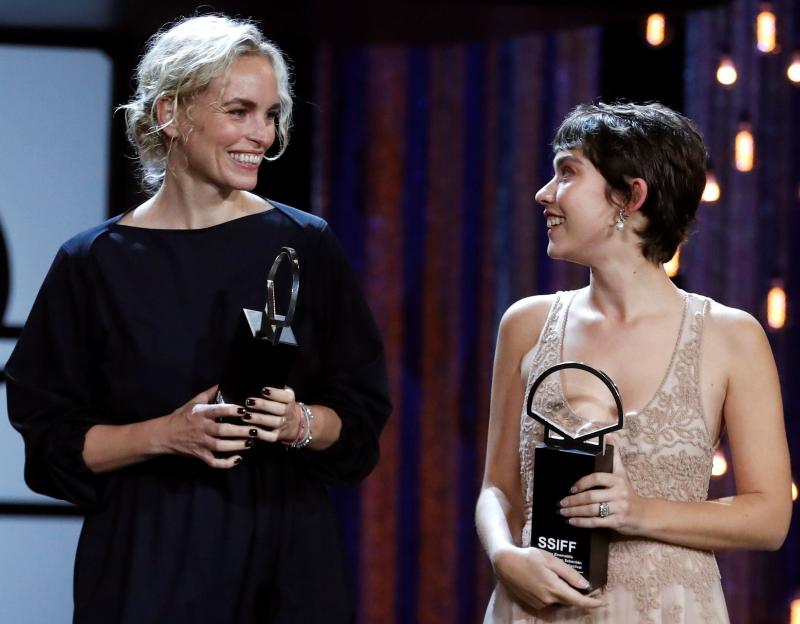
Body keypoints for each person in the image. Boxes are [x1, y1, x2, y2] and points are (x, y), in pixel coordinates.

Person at [6, 14, 391, 624]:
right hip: (146, 562)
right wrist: (166, 434)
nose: (261, 135)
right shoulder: (94, 262)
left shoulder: (305, 244)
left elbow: (361, 415)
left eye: (271, 114)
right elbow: (50, 441)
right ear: (171, 116)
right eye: (239, 111)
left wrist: (298, 422)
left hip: (285, 559)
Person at [476, 102, 792, 623]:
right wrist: (505, 556)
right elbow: (498, 490)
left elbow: (770, 515)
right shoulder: (526, 323)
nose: (544, 194)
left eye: (567, 172)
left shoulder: (731, 336)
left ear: (630, 196)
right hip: (536, 609)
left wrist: (639, 511)